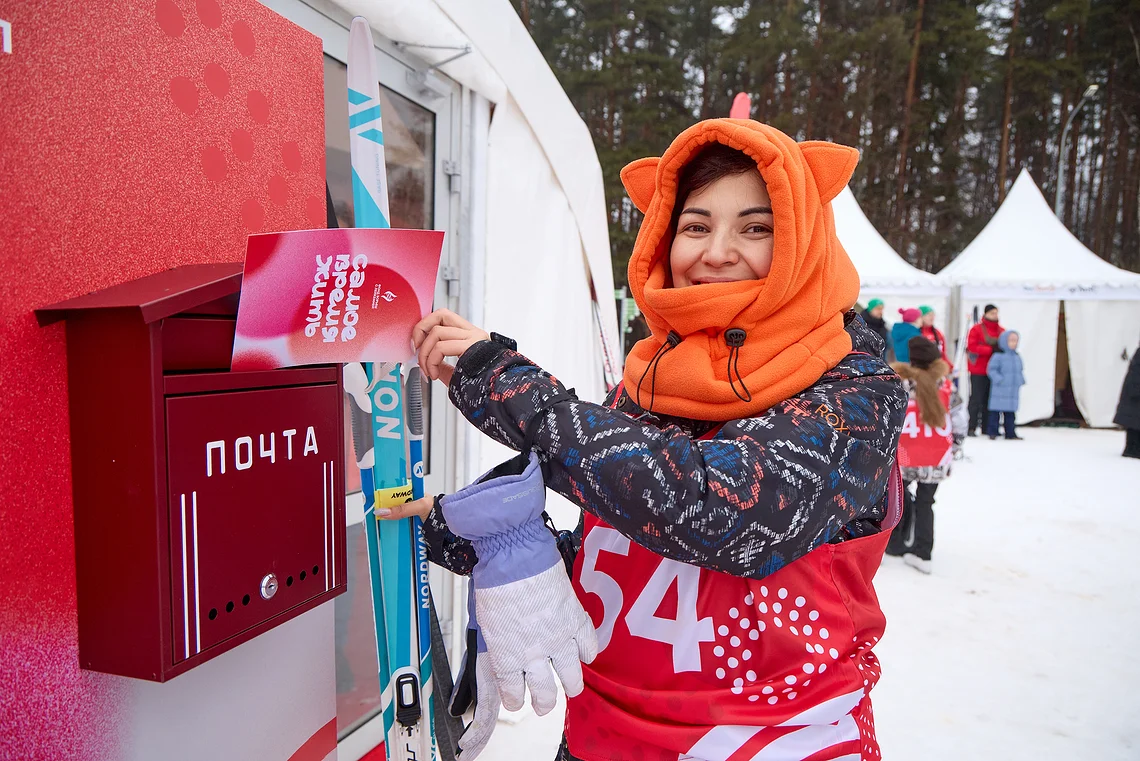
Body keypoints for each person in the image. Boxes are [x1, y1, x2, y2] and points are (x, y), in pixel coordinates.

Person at [392, 120, 908, 761]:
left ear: (804, 242)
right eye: (695, 226)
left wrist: (505, 385)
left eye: (756, 228)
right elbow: (626, 551)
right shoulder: (648, 385)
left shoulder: (855, 393)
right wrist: (485, 540)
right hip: (604, 740)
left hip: (777, 742)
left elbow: (726, 511)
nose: (717, 252)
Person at [884, 337, 965, 574]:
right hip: (935, 458)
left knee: (898, 498)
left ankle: (895, 543)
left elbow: (888, 415)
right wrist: (956, 445)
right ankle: (922, 552)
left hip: (905, 456)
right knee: (926, 502)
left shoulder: (900, 384)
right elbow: (960, 418)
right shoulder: (946, 387)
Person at [966, 304, 1004, 436]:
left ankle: (987, 427)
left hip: (994, 370)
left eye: (996, 313)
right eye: (992, 313)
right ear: (986, 314)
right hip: (978, 369)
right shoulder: (976, 330)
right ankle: (971, 427)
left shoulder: (1001, 331)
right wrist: (990, 350)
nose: (995, 315)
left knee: (990, 400)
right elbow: (972, 347)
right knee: (976, 399)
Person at [986, 330, 1025, 439]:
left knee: (1010, 414)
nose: (1014, 343)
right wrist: (999, 380)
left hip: (1012, 391)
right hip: (999, 390)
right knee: (995, 413)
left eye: (1016, 341)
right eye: (1011, 340)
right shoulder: (998, 356)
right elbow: (991, 370)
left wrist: (1020, 380)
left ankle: (1010, 432)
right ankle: (993, 431)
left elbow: (1019, 370)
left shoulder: (1017, 357)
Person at [1113, 343, 1140, 458]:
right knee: (1134, 428)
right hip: (1135, 399)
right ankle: (1132, 451)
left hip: (1134, 399)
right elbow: (1135, 377)